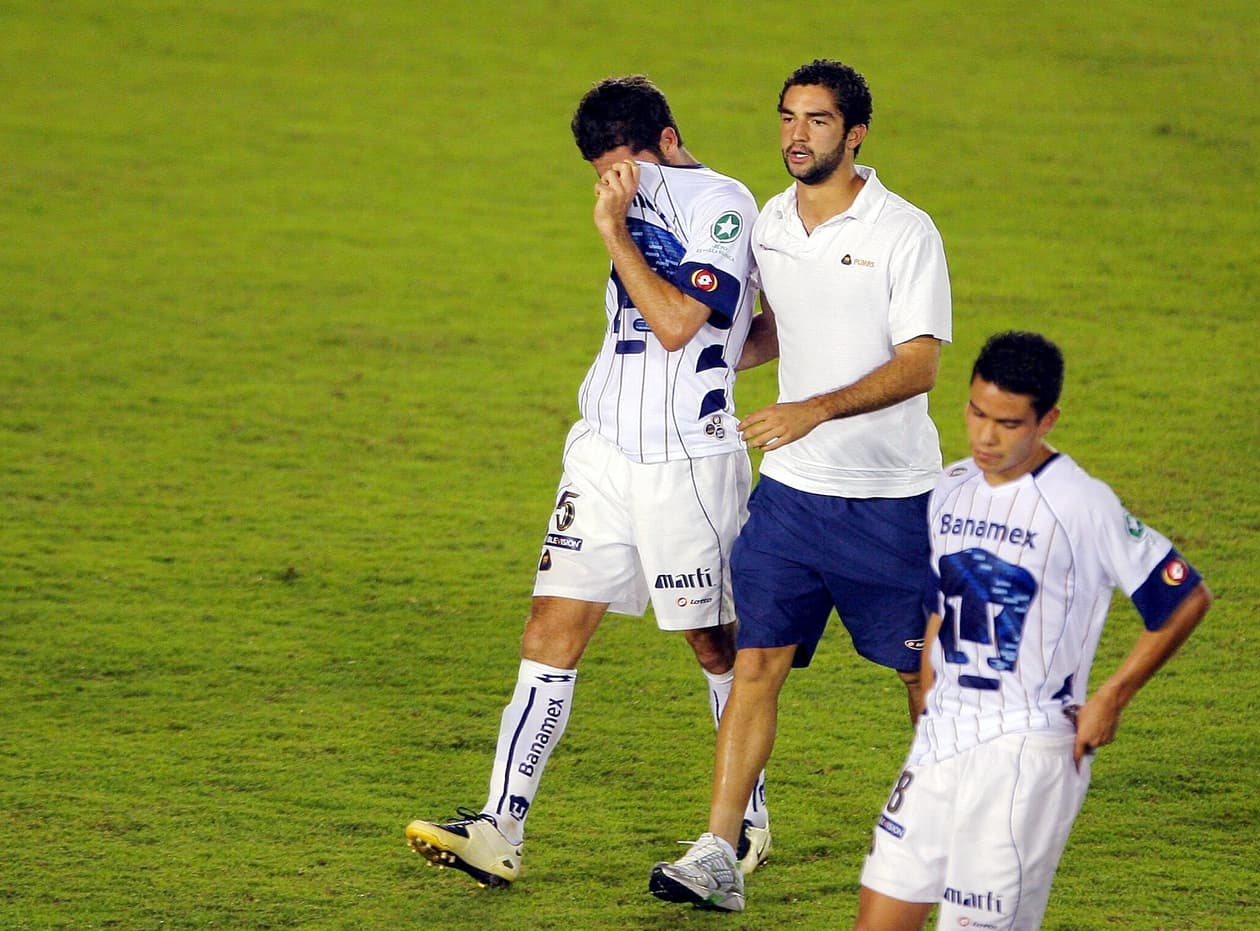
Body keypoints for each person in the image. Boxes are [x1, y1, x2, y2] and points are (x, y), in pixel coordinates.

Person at [404, 75, 770, 888]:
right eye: (603, 174)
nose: (617, 187)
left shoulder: (722, 203)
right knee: (550, 630)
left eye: (626, 168)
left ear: (667, 141)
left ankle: (742, 823)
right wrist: (731, 335)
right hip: (602, 451)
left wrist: (614, 233)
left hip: (688, 463)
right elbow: (734, 327)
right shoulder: (630, 195)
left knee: (712, 641)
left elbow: (679, 325)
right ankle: (500, 825)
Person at [650, 59, 952, 912]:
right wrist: (719, 360)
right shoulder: (772, 223)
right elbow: (779, 324)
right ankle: (718, 848)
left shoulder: (904, 230)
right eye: (787, 117)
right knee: (757, 663)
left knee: (920, 676)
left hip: (890, 499)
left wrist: (816, 406)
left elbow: (920, 361)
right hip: (789, 495)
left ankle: (947, 828)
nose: (796, 135)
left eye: (816, 121)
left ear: (854, 134)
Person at [853, 330, 1212, 930]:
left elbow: (1183, 597)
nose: (986, 436)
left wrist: (1111, 697)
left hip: (1025, 748)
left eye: (1009, 423)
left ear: (1047, 420)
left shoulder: (1080, 504)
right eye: (976, 413)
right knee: (879, 920)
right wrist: (927, 691)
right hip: (942, 739)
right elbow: (943, 597)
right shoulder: (951, 486)